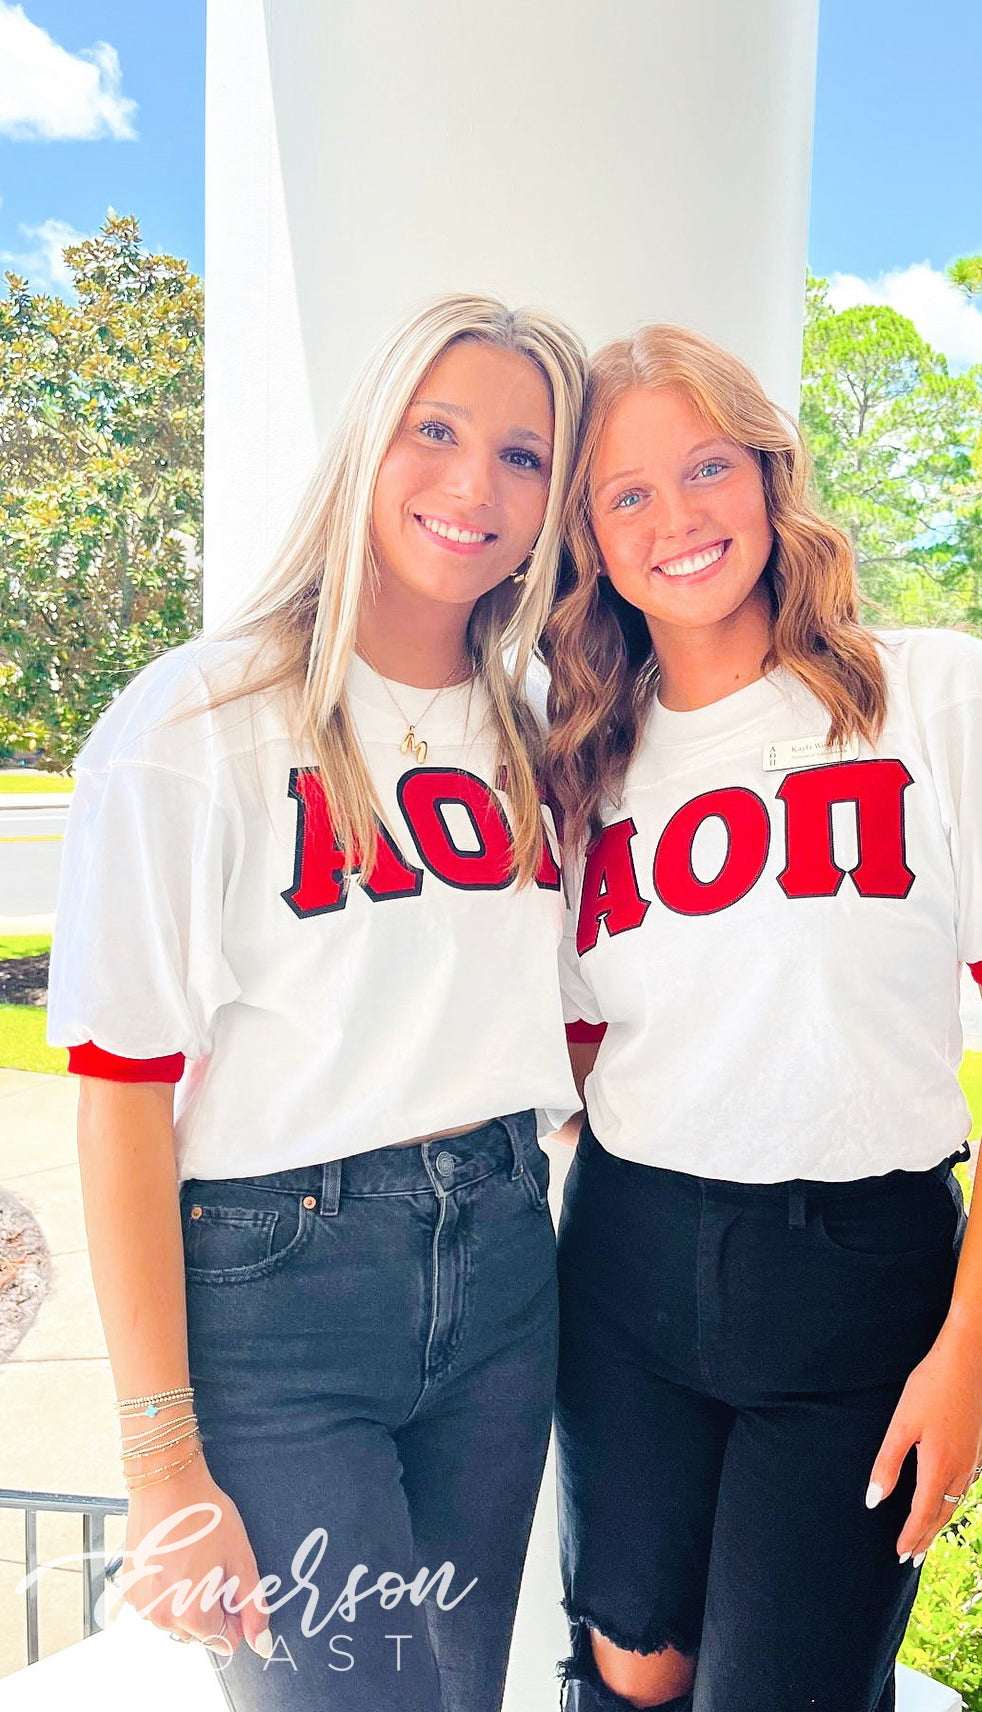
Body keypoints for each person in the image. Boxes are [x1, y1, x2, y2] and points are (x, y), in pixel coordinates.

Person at [46, 293, 587, 1712]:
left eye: (525, 456)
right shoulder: (196, 722)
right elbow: (115, 1098)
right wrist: (162, 1458)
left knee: (457, 1697)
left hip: (502, 1270)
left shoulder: (543, 727)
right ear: (367, 443)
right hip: (274, 1293)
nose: (474, 485)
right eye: (438, 430)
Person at [541, 324, 982, 1712]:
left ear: (770, 477)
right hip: (626, 1255)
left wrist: (967, 1350)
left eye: (706, 467)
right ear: (591, 540)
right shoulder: (585, 753)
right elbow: (581, 1038)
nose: (675, 517)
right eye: (625, 492)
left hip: (858, 1278)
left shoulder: (935, 693)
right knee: (628, 1662)